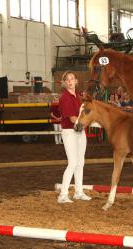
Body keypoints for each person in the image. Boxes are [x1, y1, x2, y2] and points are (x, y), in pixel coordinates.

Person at [57, 71, 91, 203]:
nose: (70, 81)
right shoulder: (64, 98)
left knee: (80, 163)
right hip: (70, 132)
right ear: (64, 83)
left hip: (80, 131)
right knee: (72, 163)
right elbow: (72, 119)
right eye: (67, 79)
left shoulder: (78, 96)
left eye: (72, 79)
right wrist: (90, 121)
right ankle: (63, 195)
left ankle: (78, 192)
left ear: (76, 81)